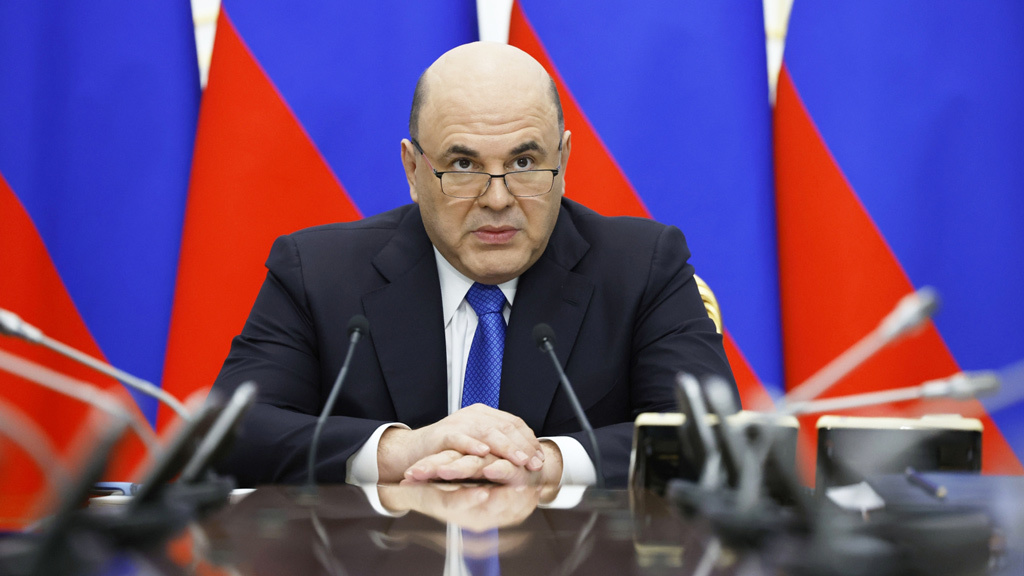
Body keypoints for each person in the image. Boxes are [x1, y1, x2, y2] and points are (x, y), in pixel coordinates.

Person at [211, 41, 736, 489]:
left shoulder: (643, 266)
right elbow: (229, 434)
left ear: (564, 160)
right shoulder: (318, 273)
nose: (498, 199)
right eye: (463, 166)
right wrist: (400, 452)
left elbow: (711, 441)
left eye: (524, 163)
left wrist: (546, 464)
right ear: (413, 169)